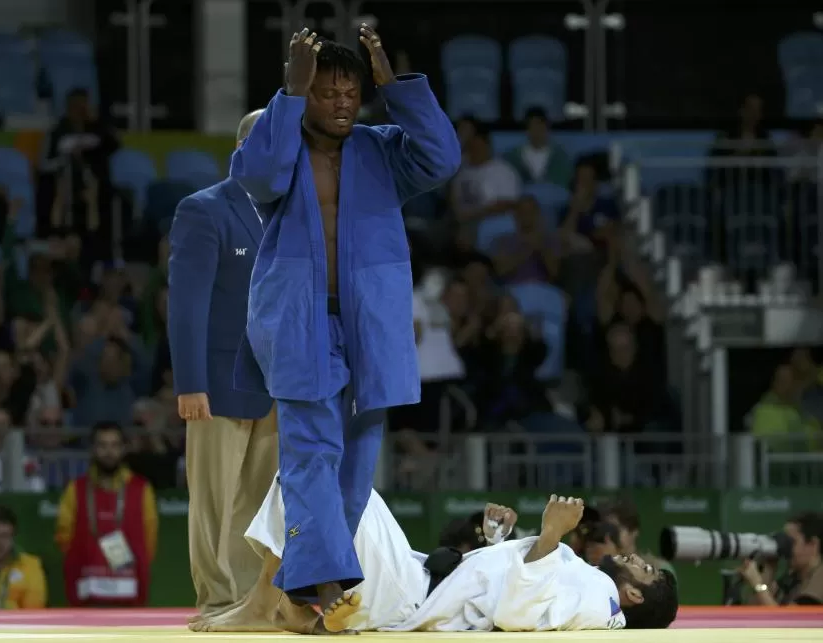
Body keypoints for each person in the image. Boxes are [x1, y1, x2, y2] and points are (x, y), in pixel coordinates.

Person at [231, 25, 461, 623]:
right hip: (298, 320)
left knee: (358, 456)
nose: (340, 103)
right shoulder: (279, 144)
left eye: (351, 92)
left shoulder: (381, 149)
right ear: (306, 93)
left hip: (372, 322)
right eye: (326, 91)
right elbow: (254, 179)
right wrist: (287, 91)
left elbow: (443, 156)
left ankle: (312, 582)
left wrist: (397, 86)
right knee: (310, 449)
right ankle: (324, 586)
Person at [197, 484, 678, 632]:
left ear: (634, 595)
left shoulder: (600, 603)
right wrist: (496, 543)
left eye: (647, 572)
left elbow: (517, 614)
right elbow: (503, 592)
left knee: (320, 475)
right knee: (319, 472)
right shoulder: (589, 588)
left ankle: (274, 604)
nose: (639, 560)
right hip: (420, 579)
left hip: (411, 598)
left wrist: (550, 535)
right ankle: (294, 606)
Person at [168, 109, 279, 616]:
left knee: (260, 504)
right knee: (214, 502)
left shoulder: (289, 210)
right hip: (215, 384)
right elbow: (187, 304)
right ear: (245, 145)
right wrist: (190, 383)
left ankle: (253, 603)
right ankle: (216, 601)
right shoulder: (205, 209)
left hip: (280, 383)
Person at [55, 421, 158, 607]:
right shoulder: (75, 489)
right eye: (102, 445)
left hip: (129, 591)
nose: (108, 452)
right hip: (86, 590)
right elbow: (64, 537)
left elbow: (149, 539)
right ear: (93, 449)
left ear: (124, 449)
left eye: (114, 445)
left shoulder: (141, 489)